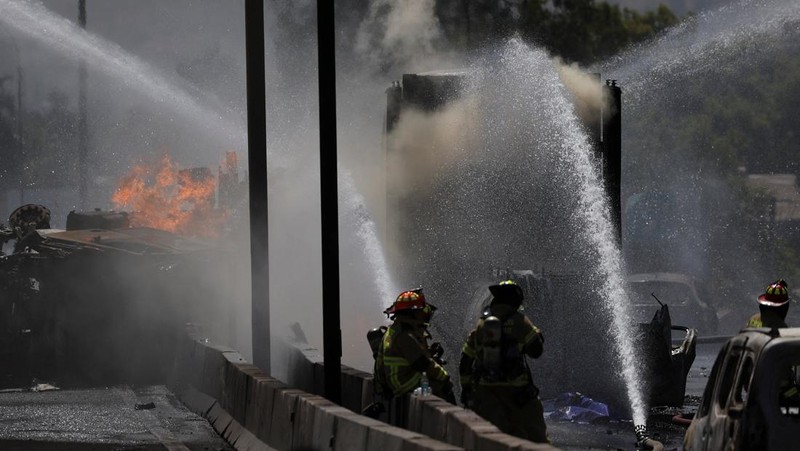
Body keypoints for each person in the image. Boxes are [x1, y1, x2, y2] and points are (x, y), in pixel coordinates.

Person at [459, 279, 548, 443]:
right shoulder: (520, 321)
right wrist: (536, 334)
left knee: (492, 439)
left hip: (486, 392)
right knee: (533, 435)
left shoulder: (481, 324)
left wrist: (466, 389)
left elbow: (465, 360)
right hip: (518, 391)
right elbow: (536, 351)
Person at [373, 289, 455, 403]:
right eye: (420, 311)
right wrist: (446, 378)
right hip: (404, 384)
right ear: (412, 313)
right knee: (440, 386)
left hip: (395, 384)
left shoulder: (393, 331)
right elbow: (423, 363)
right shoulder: (405, 336)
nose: (423, 314)